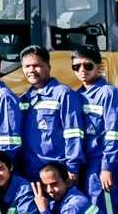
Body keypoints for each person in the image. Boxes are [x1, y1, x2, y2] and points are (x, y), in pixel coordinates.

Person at [71, 46, 118, 214]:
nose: (82, 70)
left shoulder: (108, 94)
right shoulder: (78, 95)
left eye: (87, 66)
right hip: (85, 163)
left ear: (99, 66)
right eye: (76, 66)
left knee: (106, 211)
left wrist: (107, 166)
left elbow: (115, 133)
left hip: (101, 163)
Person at [17, 46, 83, 185]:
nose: (31, 71)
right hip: (30, 172)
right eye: (26, 66)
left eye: (36, 66)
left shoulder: (63, 94)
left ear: (48, 66)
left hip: (57, 174)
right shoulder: (25, 98)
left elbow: (74, 133)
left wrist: (72, 167)